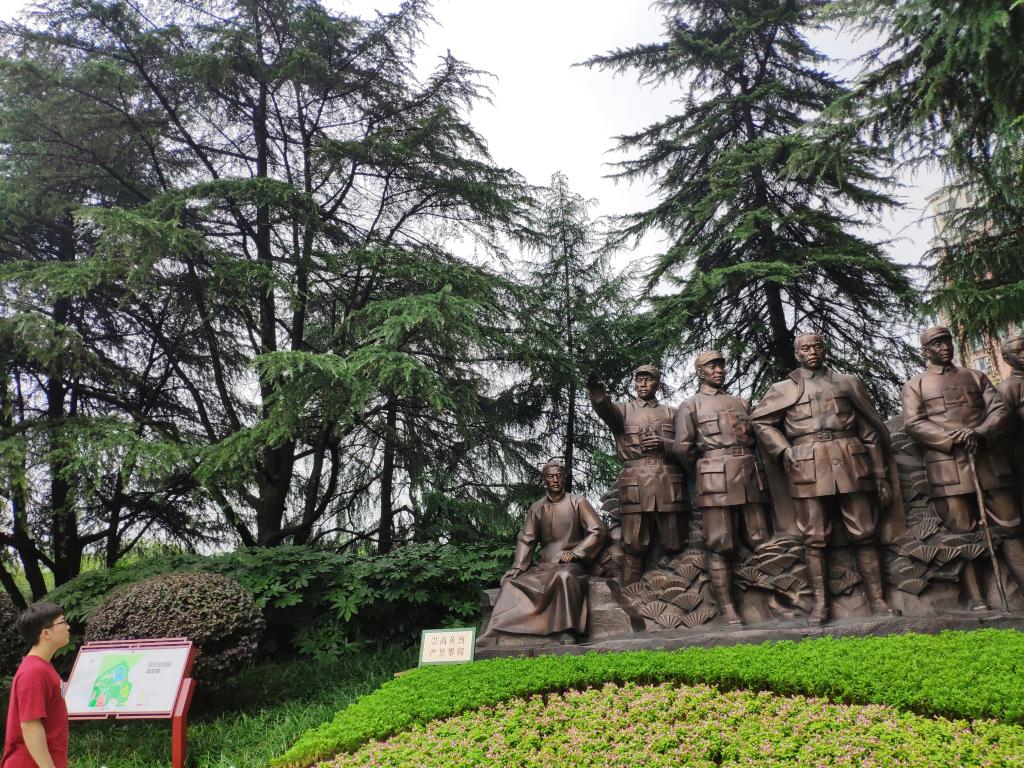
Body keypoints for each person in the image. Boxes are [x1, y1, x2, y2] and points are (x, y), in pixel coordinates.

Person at [751, 333, 898, 624]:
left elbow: (869, 431)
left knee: (865, 532)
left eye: (817, 346)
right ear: (797, 353)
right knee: (814, 537)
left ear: (825, 350)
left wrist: (880, 474)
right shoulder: (782, 389)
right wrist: (783, 449)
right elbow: (760, 421)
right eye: (806, 348)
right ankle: (820, 605)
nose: (813, 352)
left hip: (851, 462)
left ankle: (878, 600)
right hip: (807, 465)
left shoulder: (847, 382)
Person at [902, 326, 1023, 609]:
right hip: (947, 468)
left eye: (947, 341)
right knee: (961, 534)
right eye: (937, 344)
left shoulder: (975, 376)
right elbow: (914, 423)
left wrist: (980, 432)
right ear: (926, 351)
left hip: (987, 461)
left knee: (1011, 524)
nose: (945, 347)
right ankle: (977, 598)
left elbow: (999, 410)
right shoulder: (915, 385)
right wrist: (951, 439)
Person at [674, 350, 770, 624]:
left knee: (761, 538)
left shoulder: (741, 402)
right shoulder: (690, 405)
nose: (719, 370)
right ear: (700, 372)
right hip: (714, 479)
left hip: (749, 476)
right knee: (720, 544)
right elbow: (683, 448)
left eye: (721, 366)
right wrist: (702, 473)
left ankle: (770, 604)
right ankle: (728, 610)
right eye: (712, 366)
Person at [479, 459, 606, 642]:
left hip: (571, 564)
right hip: (544, 566)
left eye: (558, 476)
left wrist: (577, 553)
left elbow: (597, 530)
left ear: (564, 478)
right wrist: (518, 567)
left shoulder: (578, 502)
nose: (555, 480)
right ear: (544, 480)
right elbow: (527, 539)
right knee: (511, 584)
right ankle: (494, 632)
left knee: (564, 576)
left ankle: (567, 631)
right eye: (550, 477)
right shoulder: (537, 508)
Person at [587, 365, 689, 585]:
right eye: (639, 379)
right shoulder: (623, 410)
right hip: (635, 483)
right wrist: (598, 395)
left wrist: (665, 444)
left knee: (675, 540)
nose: (642, 384)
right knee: (633, 543)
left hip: (668, 481)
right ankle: (629, 593)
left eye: (648, 379)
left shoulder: (672, 413)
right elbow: (606, 410)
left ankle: (676, 588)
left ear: (657, 384)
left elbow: (686, 446)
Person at [2, 602, 70, 768]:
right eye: (63, 622)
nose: (68, 627)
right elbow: (30, 725)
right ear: (46, 633)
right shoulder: (33, 672)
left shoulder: (42, 667)